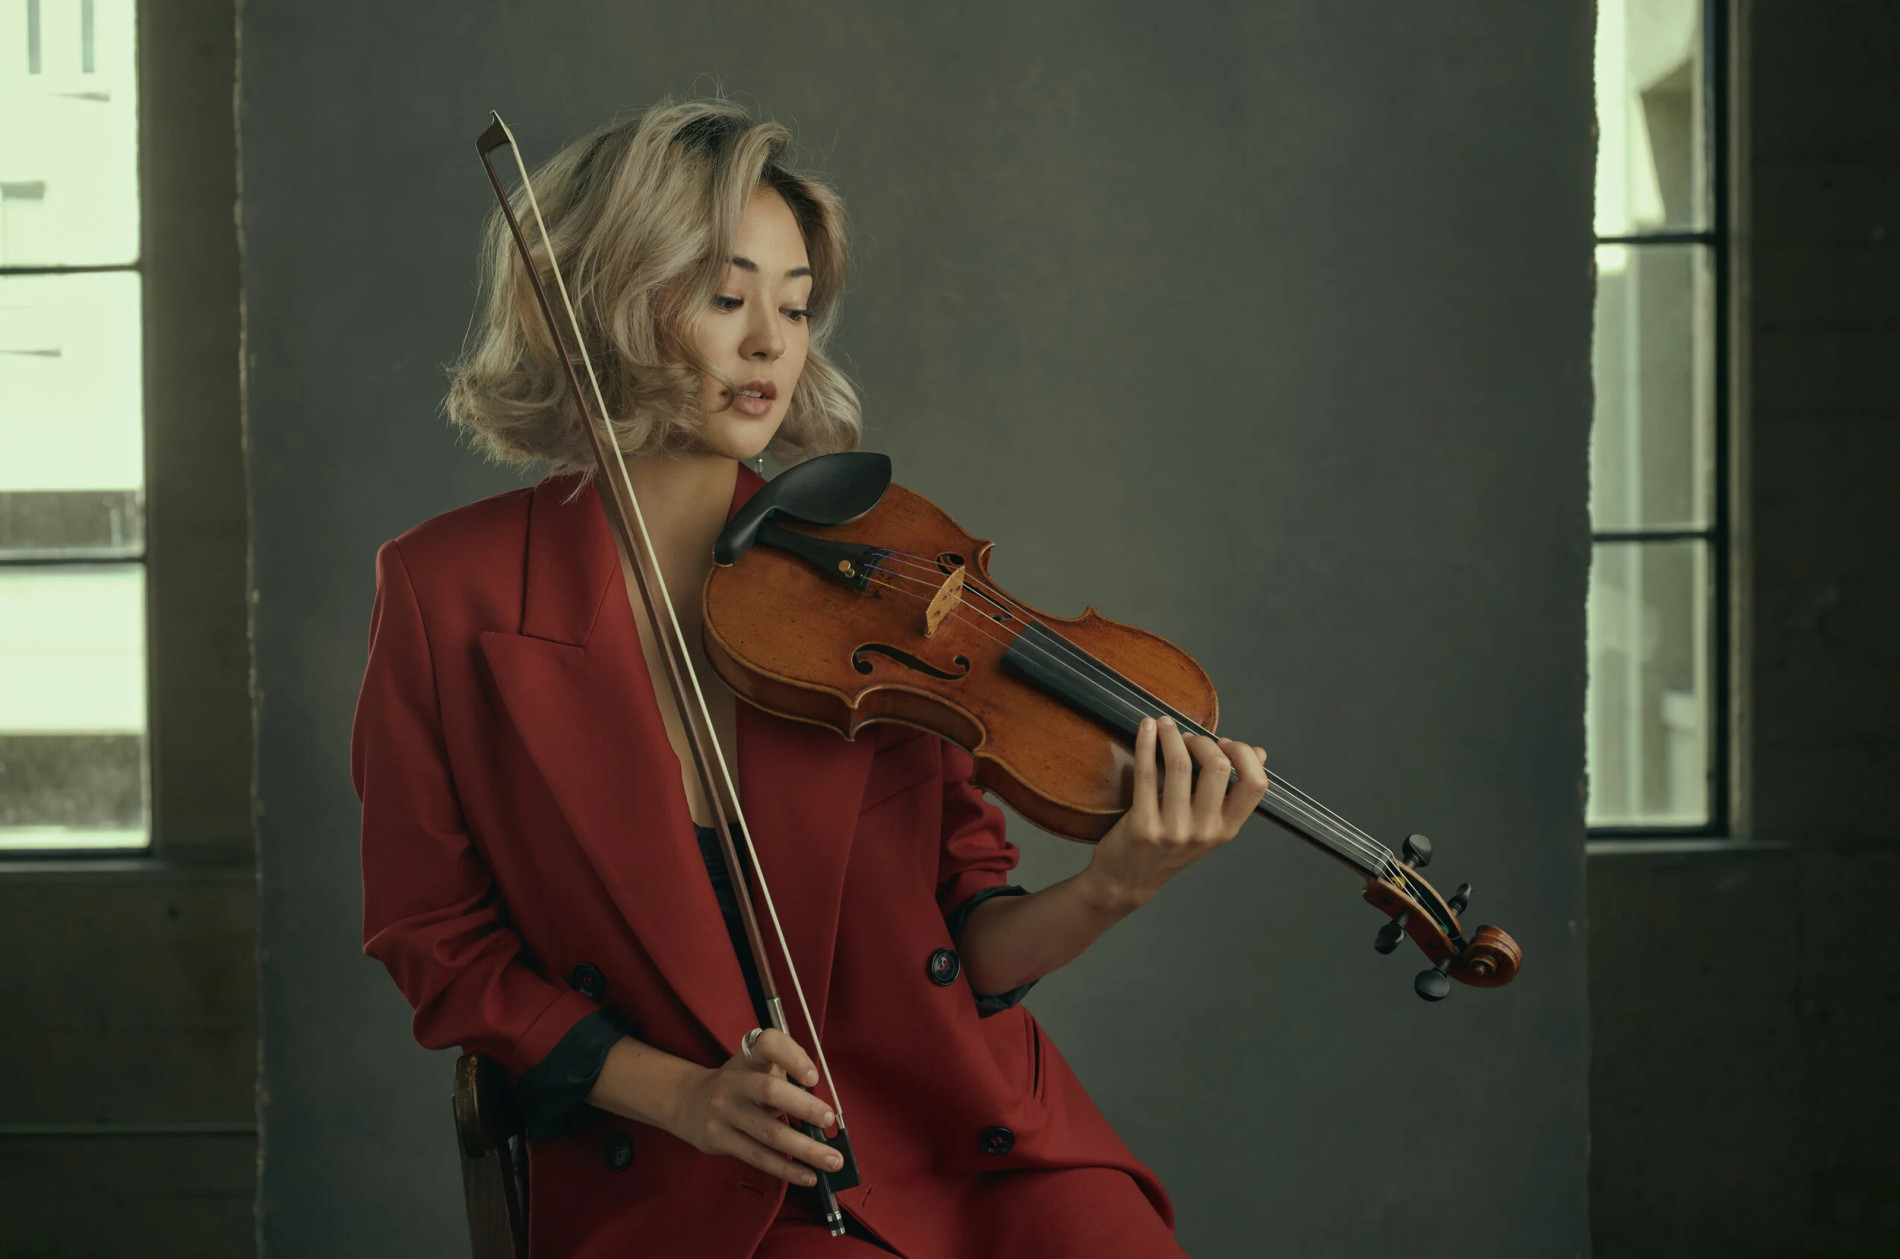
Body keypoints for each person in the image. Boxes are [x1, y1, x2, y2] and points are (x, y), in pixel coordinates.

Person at [352, 96, 1269, 1259]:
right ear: (606, 299)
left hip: (964, 1133)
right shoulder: (448, 592)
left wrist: (1114, 884)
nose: (769, 345)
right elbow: (437, 940)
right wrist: (684, 1094)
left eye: (793, 307)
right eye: (726, 299)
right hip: (700, 1182)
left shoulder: (876, 590)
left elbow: (965, 941)